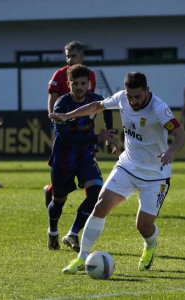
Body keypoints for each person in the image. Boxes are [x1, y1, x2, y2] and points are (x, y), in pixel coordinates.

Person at [49, 72, 185, 274]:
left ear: (147, 91)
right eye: (130, 96)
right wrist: (68, 115)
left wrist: (171, 151)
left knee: (143, 226)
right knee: (101, 205)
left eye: (138, 97)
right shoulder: (122, 97)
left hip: (155, 175)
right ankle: (82, 257)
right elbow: (98, 106)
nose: (133, 101)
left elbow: (181, 135)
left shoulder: (159, 109)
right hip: (128, 167)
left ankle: (150, 245)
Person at [47, 64, 115, 252]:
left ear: (89, 84)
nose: (79, 87)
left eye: (83, 83)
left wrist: (108, 132)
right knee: (58, 202)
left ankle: (72, 234)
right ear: (68, 84)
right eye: (75, 83)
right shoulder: (61, 105)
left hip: (85, 156)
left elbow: (108, 108)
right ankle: (53, 231)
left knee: (95, 194)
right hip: (64, 159)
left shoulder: (95, 100)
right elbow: (67, 138)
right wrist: (97, 137)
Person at [44, 41, 97, 207]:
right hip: (65, 124)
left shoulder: (90, 75)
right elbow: (52, 97)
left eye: (73, 56)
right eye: (68, 56)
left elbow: (92, 101)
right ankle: (53, 190)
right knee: (66, 160)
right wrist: (53, 117)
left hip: (85, 122)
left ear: (82, 57)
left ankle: (91, 199)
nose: (70, 59)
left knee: (87, 157)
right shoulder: (59, 74)